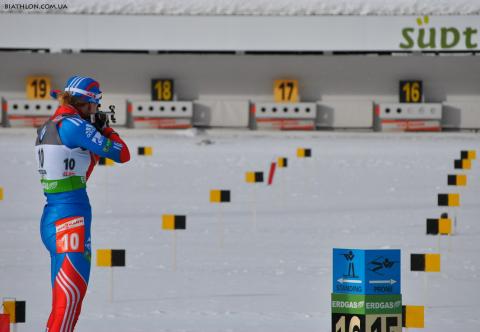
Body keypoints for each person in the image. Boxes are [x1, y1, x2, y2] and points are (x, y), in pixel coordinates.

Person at [35, 76, 130, 331]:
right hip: (70, 220)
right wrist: (107, 130)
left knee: (62, 306)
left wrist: (94, 138)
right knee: (68, 306)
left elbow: (78, 169)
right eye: (96, 105)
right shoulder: (75, 125)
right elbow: (122, 153)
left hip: (55, 215)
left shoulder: (50, 124)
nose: (97, 111)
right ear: (87, 103)